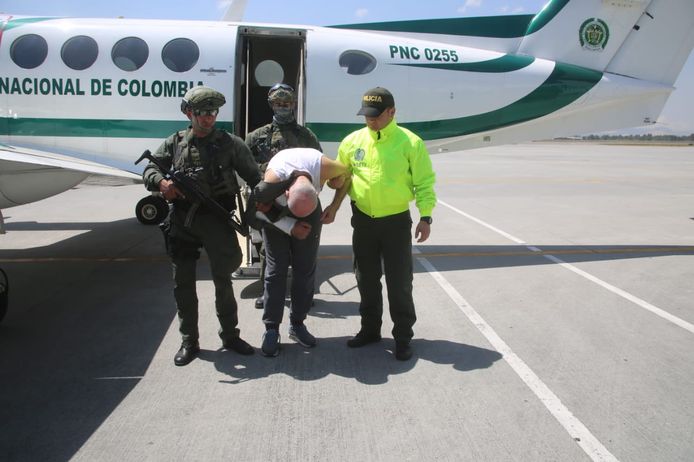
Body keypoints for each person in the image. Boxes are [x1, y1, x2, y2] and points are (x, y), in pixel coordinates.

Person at [142, 86, 262, 366]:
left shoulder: (230, 143)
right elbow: (150, 169)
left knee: (224, 281)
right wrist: (161, 184)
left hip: (217, 219)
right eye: (202, 113)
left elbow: (254, 178)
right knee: (182, 283)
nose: (208, 119)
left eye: (212, 113)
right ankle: (189, 341)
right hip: (182, 220)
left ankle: (230, 336)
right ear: (188, 113)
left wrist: (267, 206)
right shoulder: (175, 142)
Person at [335, 87, 437, 361]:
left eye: (376, 116)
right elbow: (342, 179)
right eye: (367, 115)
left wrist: (425, 216)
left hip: (396, 222)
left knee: (399, 282)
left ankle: (403, 336)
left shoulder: (410, 143)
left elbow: (424, 183)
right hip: (363, 221)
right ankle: (370, 330)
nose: (370, 120)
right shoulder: (352, 141)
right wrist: (332, 202)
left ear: (392, 112)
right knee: (365, 279)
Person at [249, 147, 350, 357]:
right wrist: (289, 226)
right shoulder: (272, 180)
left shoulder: (325, 168)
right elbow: (256, 212)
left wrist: (334, 205)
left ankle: (297, 324)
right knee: (276, 271)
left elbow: (348, 173)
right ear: (286, 193)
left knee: (305, 269)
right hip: (274, 211)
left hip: (307, 208)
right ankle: (271, 329)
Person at [245, 83, 323, 309]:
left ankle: (304, 295)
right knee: (269, 253)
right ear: (271, 104)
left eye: (286, 103)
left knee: (305, 252)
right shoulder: (256, 136)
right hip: (270, 203)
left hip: (298, 202)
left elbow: (318, 166)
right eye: (278, 104)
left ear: (293, 104)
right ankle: (268, 293)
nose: (282, 107)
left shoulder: (306, 135)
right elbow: (246, 168)